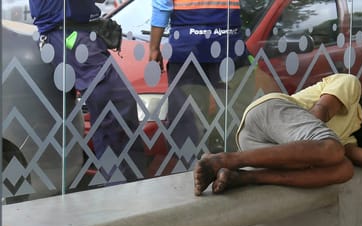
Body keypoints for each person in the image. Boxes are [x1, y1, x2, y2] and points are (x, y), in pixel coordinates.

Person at [193, 73, 362, 195]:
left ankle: (241, 177)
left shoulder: (348, 136)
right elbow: (318, 113)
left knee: (344, 169)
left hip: (260, 146)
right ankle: (223, 159)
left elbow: (351, 152)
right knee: (332, 150)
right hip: (269, 114)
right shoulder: (351, 86)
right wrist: (315, 156)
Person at [28, 0, 146, 183]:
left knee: (117, 105)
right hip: (67, 33)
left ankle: (126, 184)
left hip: (79, 32)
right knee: (114, 104)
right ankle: (120, 187)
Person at [149, 0, 244, 162]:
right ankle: (229, 167)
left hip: (188, 48)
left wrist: (154, 48)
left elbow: (162, 7)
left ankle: (188, 172)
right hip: (227, 46)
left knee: (187, 119)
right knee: (230, 114)